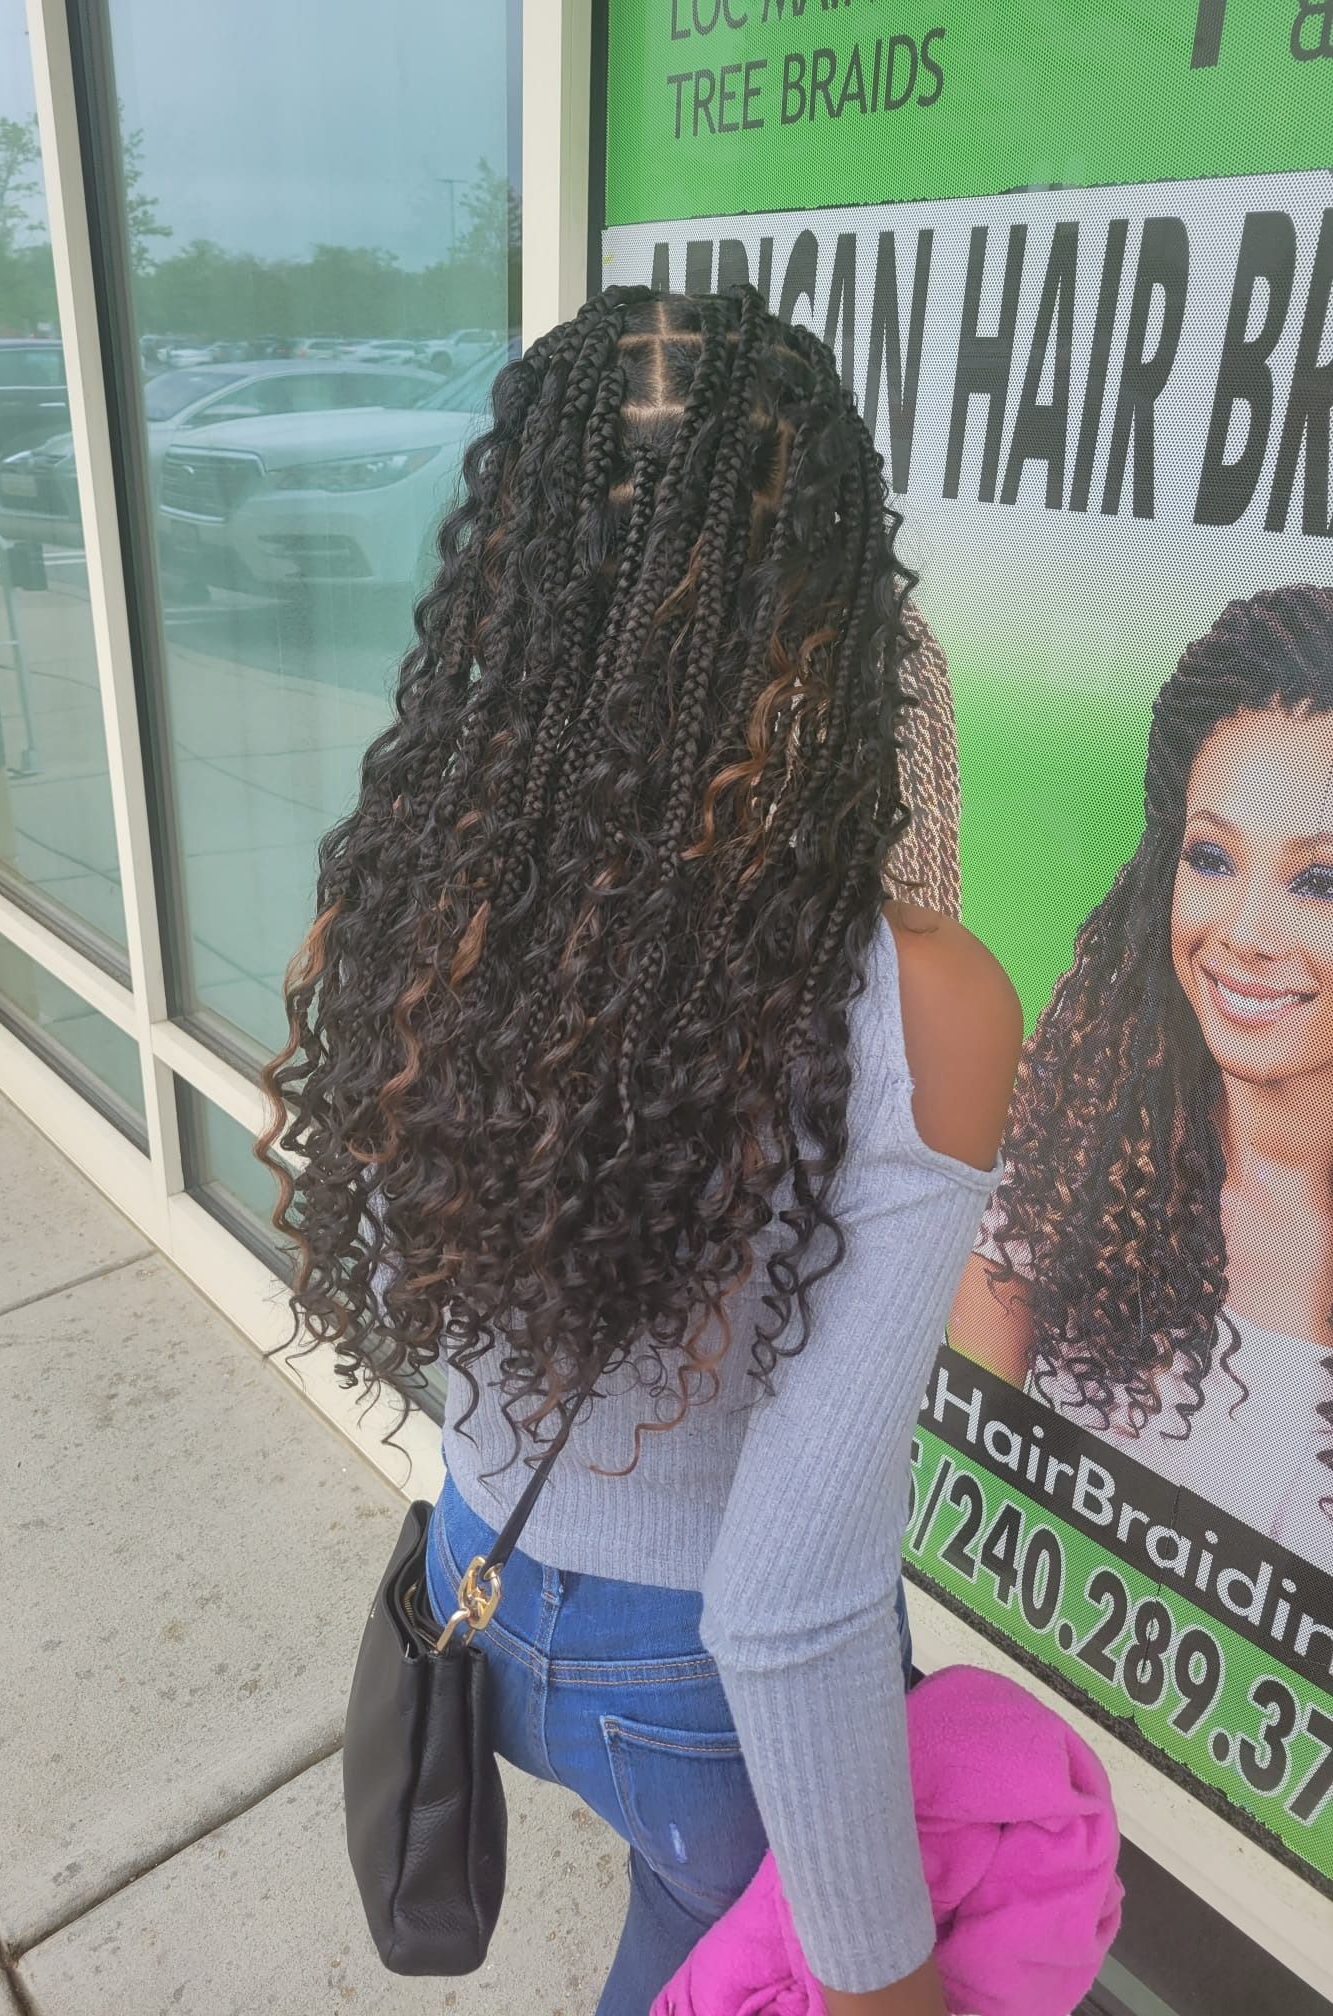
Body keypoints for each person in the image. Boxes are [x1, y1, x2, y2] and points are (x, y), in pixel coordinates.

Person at [260, 286, 1020, 2015]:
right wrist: (886, 1981)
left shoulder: (405, 902)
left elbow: (405, 1284)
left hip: (476, 1578)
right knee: (713, 1942)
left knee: (681, 1930)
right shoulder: (924, 1002)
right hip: (695, 1695)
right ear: (839, 599)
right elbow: (788, 1600)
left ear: (511, 582)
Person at [951, 585, 1333, 1568]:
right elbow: (950, 1517)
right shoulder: (1070, 1159)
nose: (1246, 933)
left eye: (1317, 880)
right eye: (1212, 858)